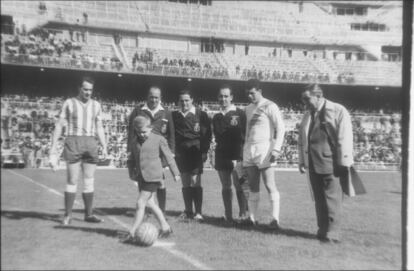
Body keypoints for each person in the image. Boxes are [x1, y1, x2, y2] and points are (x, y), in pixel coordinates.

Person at [297, 84, 353, 243]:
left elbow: (344, 136)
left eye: (307, 99)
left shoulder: (338, 110)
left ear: (318, 95)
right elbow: (302, 139)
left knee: (332, 199)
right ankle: (322, 230)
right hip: (313, 163)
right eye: (303, 99)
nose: (304, 102)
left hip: (332, 163)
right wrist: (302, 160)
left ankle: (333, 233)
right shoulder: (308, 114)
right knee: (319, 199)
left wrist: (344, 162)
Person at [49, 75, 107, 225]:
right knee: (72, 179)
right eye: (85, 89)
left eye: (90, 90)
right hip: (73, 140)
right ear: (79, 88)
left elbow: (99, 127)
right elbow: (60, 124)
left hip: (90, 142)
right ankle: (67, 215)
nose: (88, 92)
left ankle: (89, 214)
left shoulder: (96, 105)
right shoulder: (69, 103)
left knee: (89, 180)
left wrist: (104, 146)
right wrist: (53, 147)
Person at [125, 115, 180, 240]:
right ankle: (166, 228)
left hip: (154, 176)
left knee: (140, 203)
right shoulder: (134, 142)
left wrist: (175, 173)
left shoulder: (159, 139)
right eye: (138, 132)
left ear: (150, 128)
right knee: (151, 203)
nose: (141, 134)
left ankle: (132, 232)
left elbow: (169, 157)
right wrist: (131, 172)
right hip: (141, 177)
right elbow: (131, 159)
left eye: (144, 132)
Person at [241, 79, 285, 229]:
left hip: (265, 149)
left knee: (269, 184)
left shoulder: (270, 106)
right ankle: (252, 218)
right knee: (253, 186)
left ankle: (275, 220)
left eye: (252, 93)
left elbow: (281, 128)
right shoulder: (247, 109)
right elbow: (247, 132)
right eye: (247, 93)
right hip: (250, 149)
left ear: (260, 91)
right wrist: (245, 149)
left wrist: (276, 149)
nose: (250, 96)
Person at [127, 86, 175, 214]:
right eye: (151, 97)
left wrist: (172, 152)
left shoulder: (166, 112)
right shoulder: (138, 110)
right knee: (143, 179)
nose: (154, 100)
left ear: (160, 98)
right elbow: (131, 131)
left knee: (161, 182)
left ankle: (162, 210)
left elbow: (171, 134)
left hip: (159, 153)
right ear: (147, 97)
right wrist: (130, 150)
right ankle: (147, 208)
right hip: (143, 152)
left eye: (156, 97)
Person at [172, 89, 212, 221]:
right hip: (181, 153)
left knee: (195, 181)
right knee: (185, 182)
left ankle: (199, 212)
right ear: (178, 101)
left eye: (187, 100)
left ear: (192, 100)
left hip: (195, 152)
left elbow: (207, 135)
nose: (184, 103)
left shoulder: (201, 115)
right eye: (182, 100)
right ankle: (188, 211)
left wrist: (204, 151)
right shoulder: (174, 115)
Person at [212, 84, 249, 222]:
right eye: (221, 96)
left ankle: (242, 215)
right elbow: (218, 136)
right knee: (226, 186)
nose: (223, 99)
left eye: (226, 96)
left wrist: (240, 155)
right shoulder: (216, 117)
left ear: (231, 97)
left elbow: (245, 135)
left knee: (240, 185)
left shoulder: (240, 113)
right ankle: (228, 215)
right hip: (222, 155)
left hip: (238, 155)